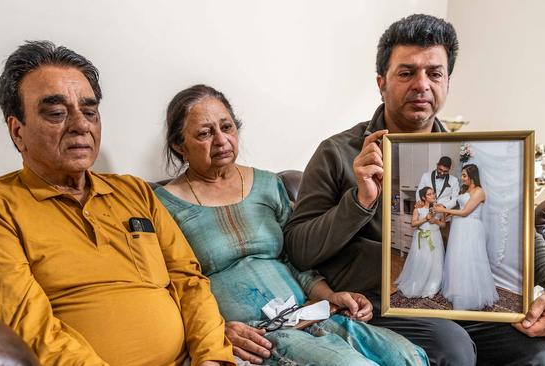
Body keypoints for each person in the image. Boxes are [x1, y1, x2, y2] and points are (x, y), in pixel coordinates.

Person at [284, 14, 545, 365]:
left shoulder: (468, 156)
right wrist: (360, 200)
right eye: (407, 73)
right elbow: (299, 248)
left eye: (434, 73)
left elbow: (522, 236)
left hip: (452, 292)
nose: (422, 84)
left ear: (447, 82)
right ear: (382, 83)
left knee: (536, 348)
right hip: (377, 302)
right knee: (450, 347)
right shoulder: (338, 152)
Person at [0, 41, 234, 366]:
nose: (81, 125)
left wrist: (212, 357)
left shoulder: (135, 192)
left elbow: (189, 281)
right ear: (17, 132)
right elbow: (30, 328)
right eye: (56, 113)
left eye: (89, 111)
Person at [154, 84, 429, 366]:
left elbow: (295, 258)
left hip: (311, 312)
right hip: (259, 335)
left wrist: (332, 297)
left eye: (227, 127)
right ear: (179, 145)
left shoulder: (268, 184)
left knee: (409, 357)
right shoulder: (161, 204)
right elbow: (166, 288)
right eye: (204, 133)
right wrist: (213, 331)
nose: (222, 140)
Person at [434, 164, 499, 310]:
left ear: (472, 176)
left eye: (464, 175)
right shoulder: (466, 190)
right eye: (462, 175)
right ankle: (457, 290)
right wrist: (447, 212)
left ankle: (470, 294)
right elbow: (461, 210)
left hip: (470, 228)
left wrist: (446, 210)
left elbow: (465, 212)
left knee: (469, 259)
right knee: (458, 259)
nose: (462, 178)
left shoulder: (479, 191)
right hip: (459, 227)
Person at [395, 187, 445, 298]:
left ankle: (433, 284)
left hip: (435, 236)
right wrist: (426, 218)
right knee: (422, 261)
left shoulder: (439, 208)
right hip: (422, 238)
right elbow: (413, 224)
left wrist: (435, 220)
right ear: (423, 197)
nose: (433, 195)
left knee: (435, 261)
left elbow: (443, 225)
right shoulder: (418, 209)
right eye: (429, 194)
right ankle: (419, 283)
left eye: (433, 193)